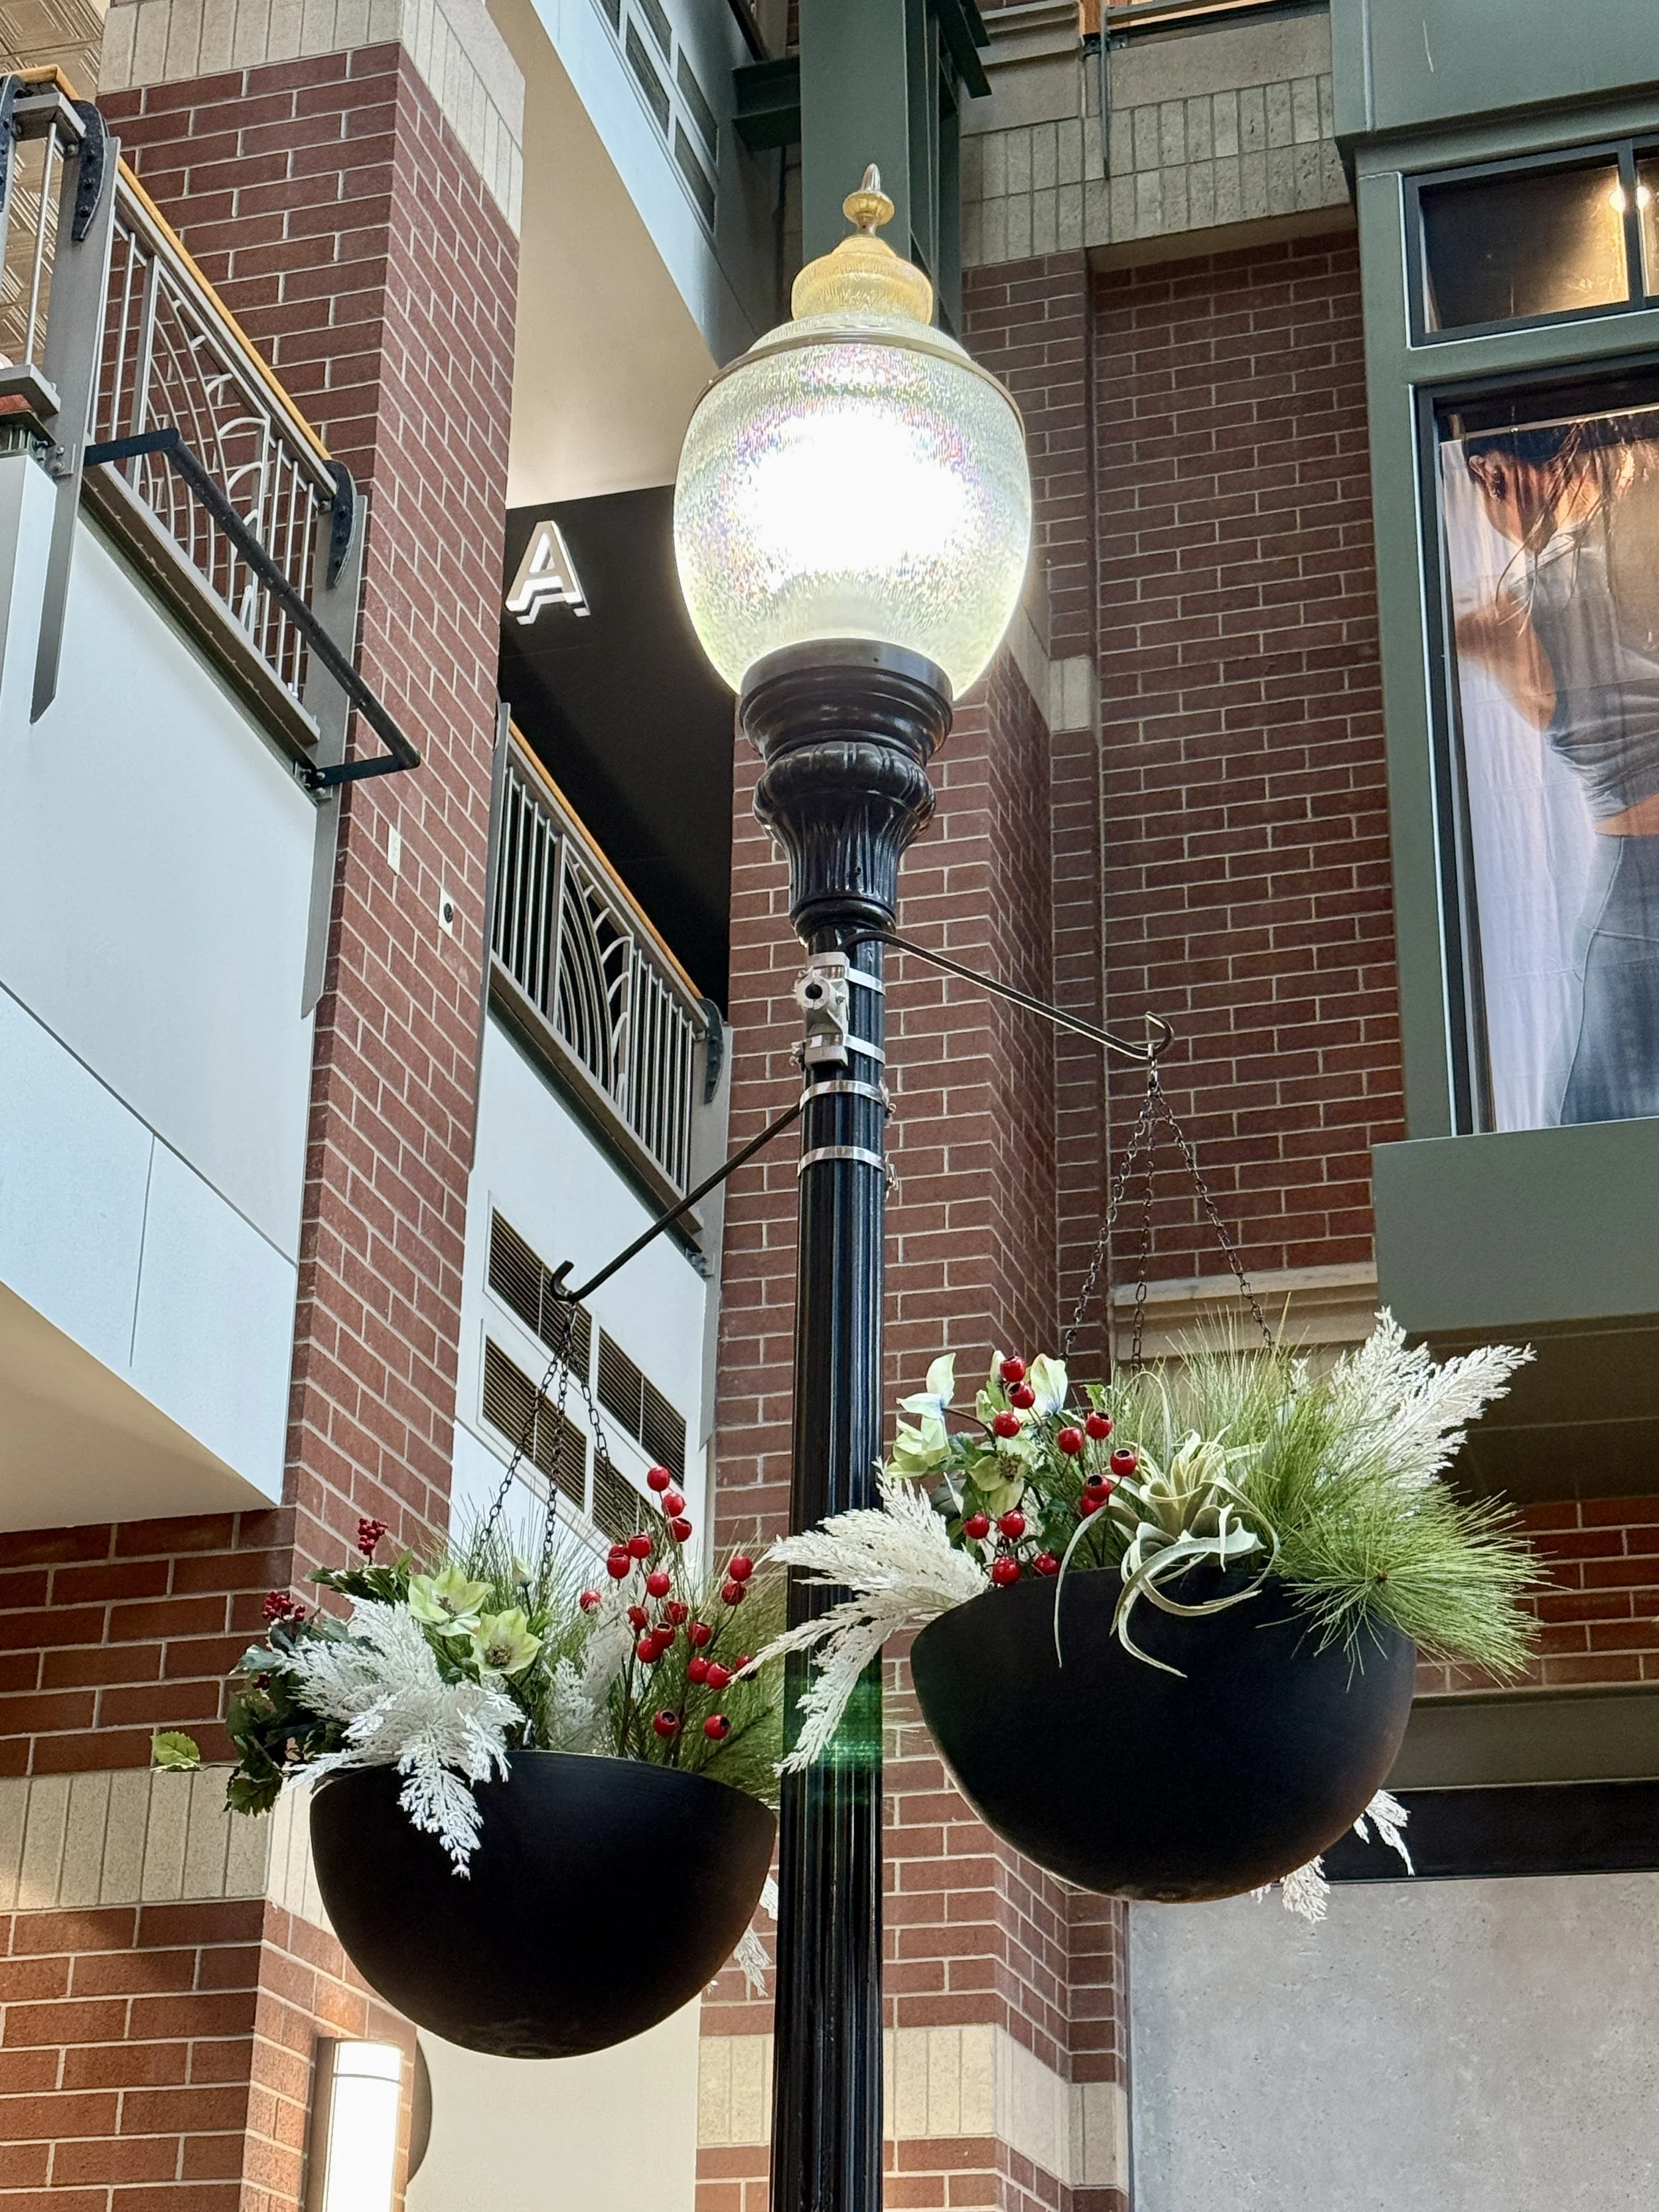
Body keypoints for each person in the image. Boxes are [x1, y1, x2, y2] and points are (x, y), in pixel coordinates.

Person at [1455, 416, 1659, 1123]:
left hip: (1639, 905)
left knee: (1595, 1146)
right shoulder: (1562, 586)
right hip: (1638, 904)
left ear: (1491, 473)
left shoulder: (1529, 602)